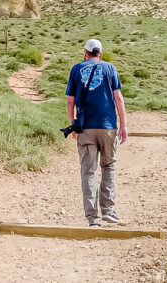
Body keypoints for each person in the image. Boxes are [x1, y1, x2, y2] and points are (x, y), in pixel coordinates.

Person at [65, 38, 128, 226]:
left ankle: (93, 218)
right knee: (108, 166)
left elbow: (70, 100)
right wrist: (123, 124)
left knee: (88, 171)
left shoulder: (76, 69)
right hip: (108, 125)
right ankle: (108, 211)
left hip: (85, 127)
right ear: (100, 53)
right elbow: (118, 97)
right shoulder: (110, 68)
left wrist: (73, 123)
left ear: (85, 52)